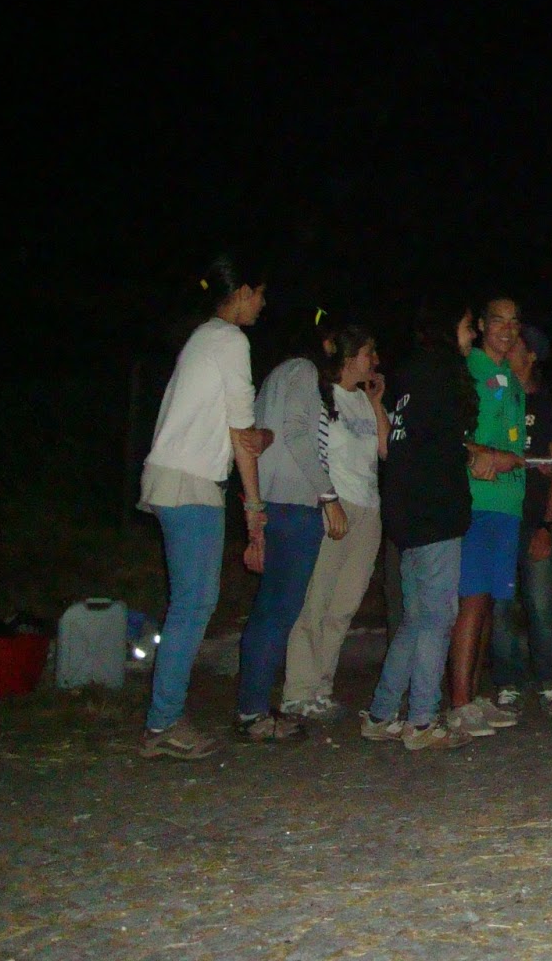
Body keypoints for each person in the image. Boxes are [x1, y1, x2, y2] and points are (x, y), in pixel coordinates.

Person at [137, 255, 271, 760]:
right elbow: (242, 433)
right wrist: (253, 508)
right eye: (260, 294)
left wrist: (257, 438)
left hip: (177, 477)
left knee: (192, 602)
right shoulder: (229, 340)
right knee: (193, 603)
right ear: (243, 292)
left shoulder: (204, 337)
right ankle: (163, 722)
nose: (262, 304)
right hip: (189, 481)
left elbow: (241, 431)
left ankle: (165, 717)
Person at [361, 298, 481, 750]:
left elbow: (407, 443)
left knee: (415, 619)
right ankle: (422, 720)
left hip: (406, 512)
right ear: (449, 329)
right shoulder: (443, 374)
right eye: (468, 326)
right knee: (437, 618)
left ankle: (381, 712)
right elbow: (442, 446)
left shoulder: (410, 375)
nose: (473, 334)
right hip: (434, 511)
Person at [234, 317, 350, 743]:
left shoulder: (278, 375)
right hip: (293, 503)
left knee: (271, 609)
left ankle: (254, 706)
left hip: (275, 500)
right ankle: (252, 712)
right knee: (278, 611)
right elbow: (298, 435)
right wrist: (328, 495)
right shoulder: (303, 370)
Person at [280, 322, 388, 720]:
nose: (374, 360)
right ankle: (298, 691)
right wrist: (328, 501)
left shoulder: (361, 399)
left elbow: (385, 449)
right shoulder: (323, 396)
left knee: (344, 605)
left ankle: (321, 687)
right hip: (335, 504)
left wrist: (376, 402)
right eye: (368, 353)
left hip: (369, 508)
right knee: (316, 599)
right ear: (350, 357)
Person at [444, 296, 527, 737]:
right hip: (476, 501)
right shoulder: (467, 368)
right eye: (498, 321)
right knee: (471, 599)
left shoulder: (512, 377)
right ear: (481, 325)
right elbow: (449, 434)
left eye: (514, 322)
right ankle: (458, 703)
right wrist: (487, 455)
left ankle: (473, 696)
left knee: (491, 601)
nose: (507, 329)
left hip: (507, 503)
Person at [489, 324, 552, 718]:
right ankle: (507, 683)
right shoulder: (495, 398)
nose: (507, 348)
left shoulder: (551, 406)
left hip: (534, 518)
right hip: (498, 517)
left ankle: (549, 682)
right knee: (500, 605)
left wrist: (548, 526)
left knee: (540, 605)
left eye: (516, 345)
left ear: (531, 356)